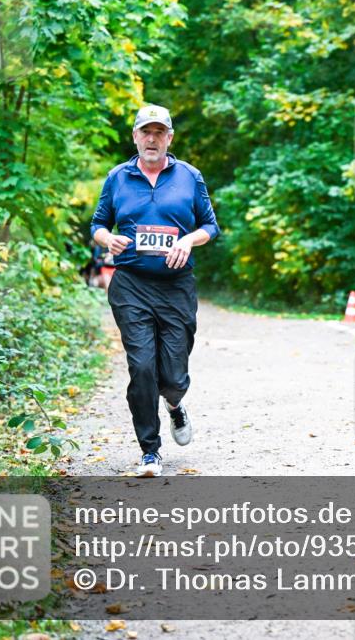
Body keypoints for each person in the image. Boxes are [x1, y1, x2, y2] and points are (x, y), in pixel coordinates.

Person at [90, 104, 219, 477]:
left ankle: (175, 404)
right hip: (131, 284)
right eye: (145, 131)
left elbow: (210, 226)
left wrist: (188, 241)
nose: (152, 138)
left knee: (173, 377)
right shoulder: (118, 177)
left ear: (169, 138)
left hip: (177, 288)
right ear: (135, 136)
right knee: (142, 366)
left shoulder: (189, 177)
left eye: (159, 132)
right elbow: (98, 224)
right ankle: (150, 451)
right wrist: (107, 239)